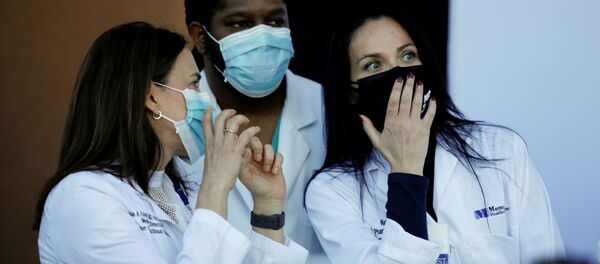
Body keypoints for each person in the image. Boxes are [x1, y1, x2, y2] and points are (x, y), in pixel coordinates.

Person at [304, 2, 565, 263]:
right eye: (374, 65)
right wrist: (405, 169)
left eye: (408, 56)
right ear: (350, 92)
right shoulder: (332, 192)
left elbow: (547, 256)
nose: (400, 76)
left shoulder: (502, 150)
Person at [34, 22, 308, 263]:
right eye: (193, 85)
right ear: (152, 98)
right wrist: (214, 186)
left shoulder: (172, 189)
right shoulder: (83, 198)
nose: (205, 99)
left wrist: (267, 207)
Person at [182, 0, 327, 262]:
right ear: (201, 37)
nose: (263, 36)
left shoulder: (328, 109)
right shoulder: (177, 119)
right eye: (241, 24)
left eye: (275, 22)